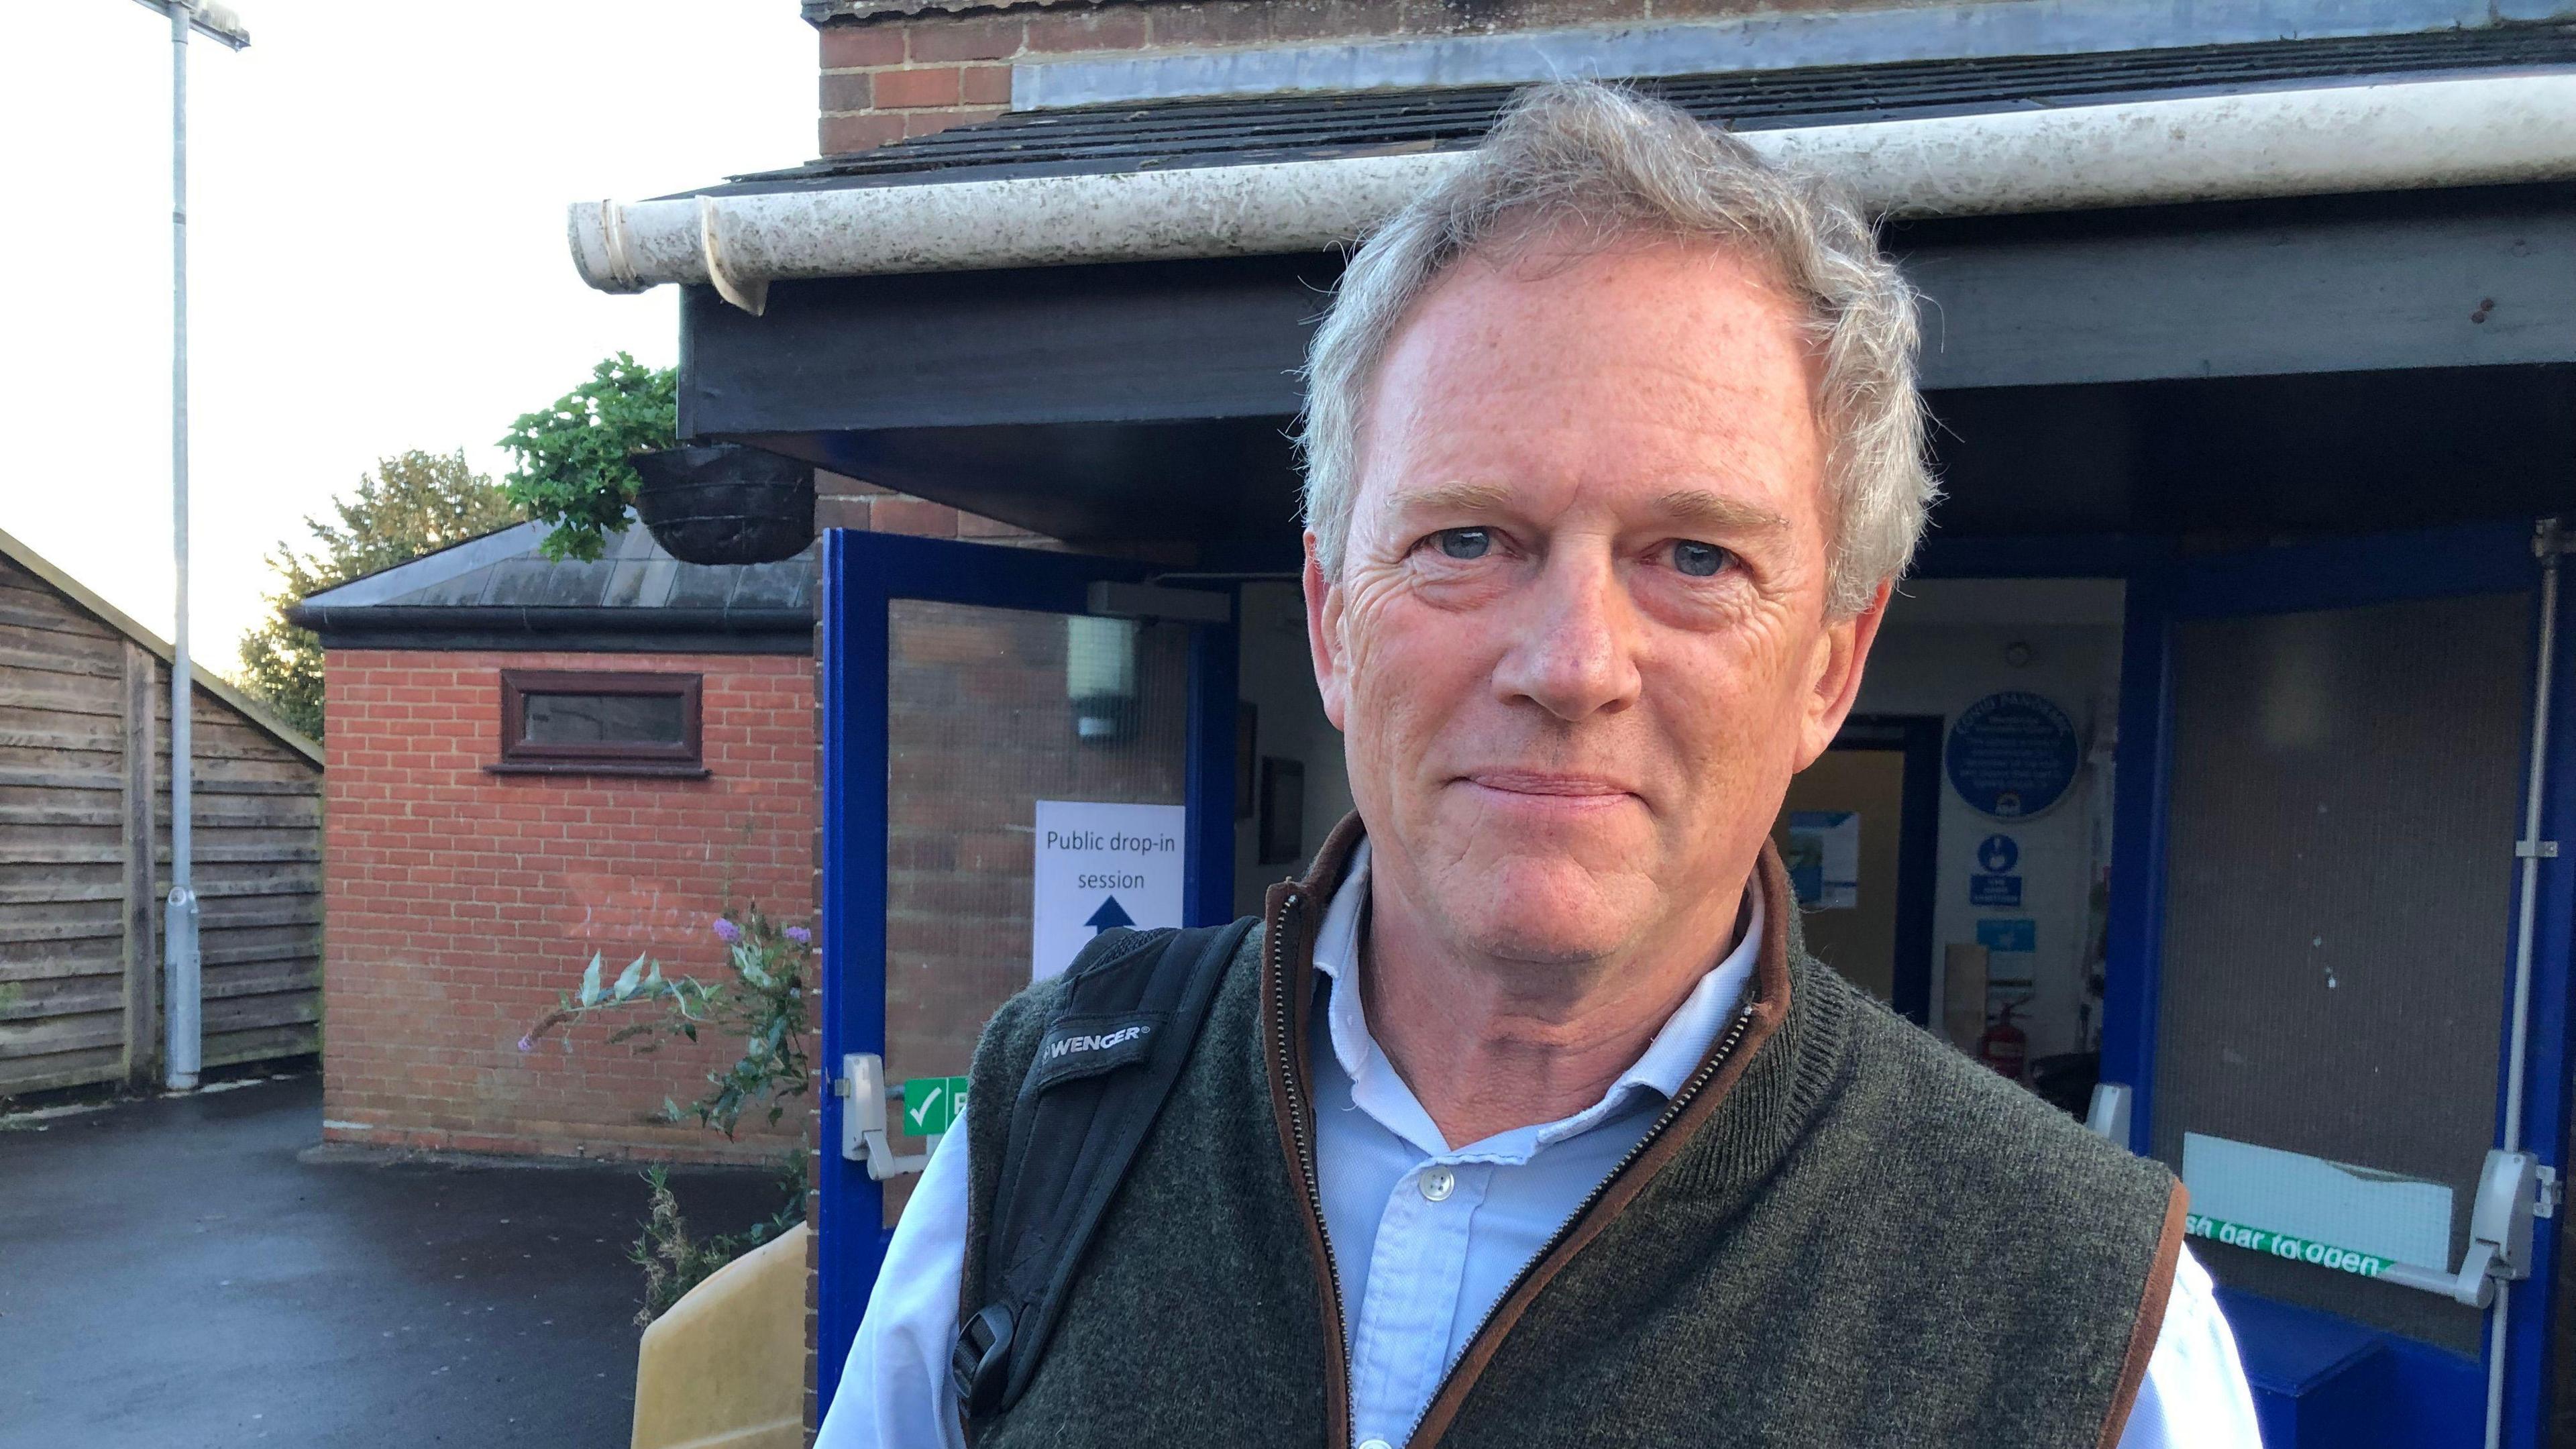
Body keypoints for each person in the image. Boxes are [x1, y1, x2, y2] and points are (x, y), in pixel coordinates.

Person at [819, 80, 2258, 1448]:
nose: (1571, 666)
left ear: (1831, 662)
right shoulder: (1060, 1116)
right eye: (1467, 540)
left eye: (1696, 557)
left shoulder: (2079, 1312)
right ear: (1331, 621)